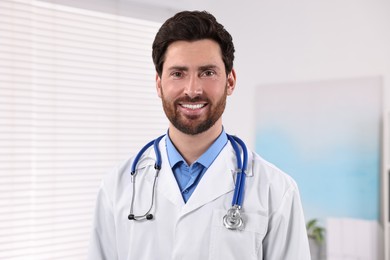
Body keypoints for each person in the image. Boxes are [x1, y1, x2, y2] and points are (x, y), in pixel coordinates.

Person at [88, 10, 311, 260]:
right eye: (178, 73)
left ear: (230, 81)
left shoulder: (276, 192)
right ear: (159, 84)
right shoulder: (115, 189)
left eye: (207, 72)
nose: (192, 90)